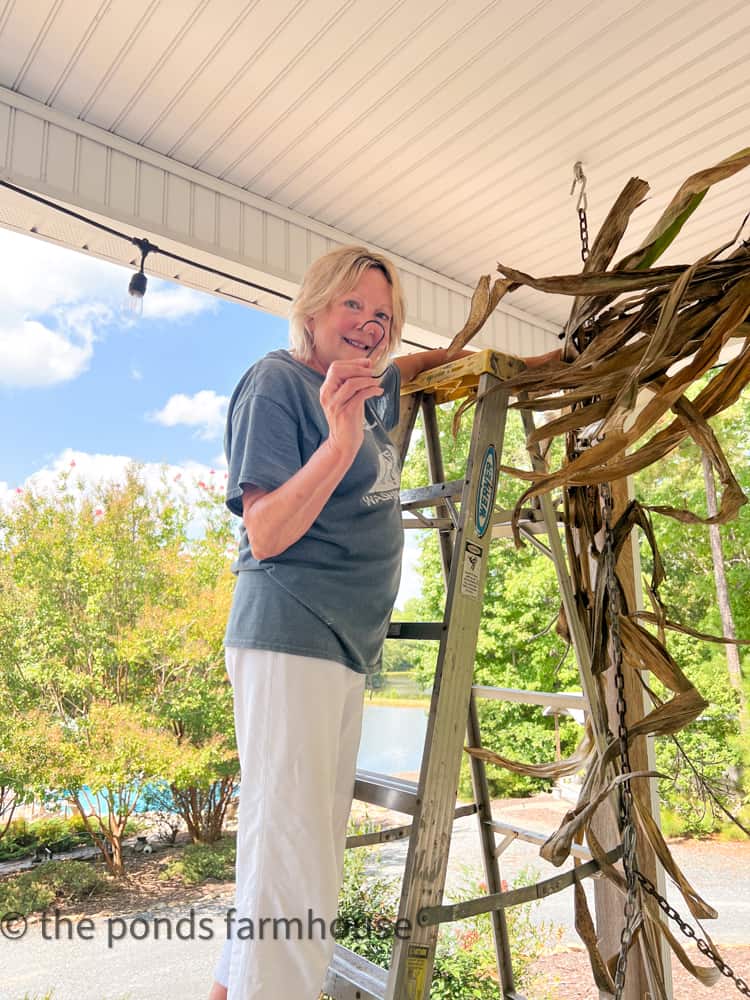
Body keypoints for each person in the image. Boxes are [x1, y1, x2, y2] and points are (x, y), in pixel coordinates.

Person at [208, 245, 558, 999]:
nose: (370, 326)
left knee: (294, 847)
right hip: (290, 631)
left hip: (338, 644)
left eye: (383, 315)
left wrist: (542, 361)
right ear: (311, 308)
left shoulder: (372, 389)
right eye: (352, 308)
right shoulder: (279, 384)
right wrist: (338, 444)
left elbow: (431, 362)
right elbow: (265, 533)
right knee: (294, 857)